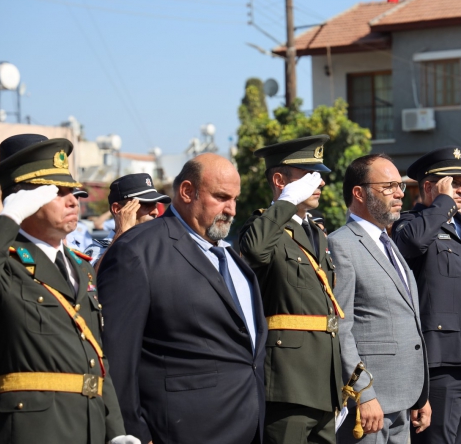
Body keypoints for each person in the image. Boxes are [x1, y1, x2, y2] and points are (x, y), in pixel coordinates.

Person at [96, 154, 267, 444]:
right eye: (222, 197)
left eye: (235, 199)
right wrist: (134, 434)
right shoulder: (137, 251)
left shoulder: (234, 262)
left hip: (248, 428)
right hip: (180, 433)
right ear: (187, 192)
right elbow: (117, 358)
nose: (232, 209)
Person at [0, 133, 138, 444]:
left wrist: (115, 430)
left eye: (72, 190)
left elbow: (98, 359)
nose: (74, 200)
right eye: (57, 191)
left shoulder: (81, 267)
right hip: (34, 430)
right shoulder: (6, 261)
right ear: (22, 198)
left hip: (88, 427)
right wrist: (7, 218)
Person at [239, 135, 343, 444]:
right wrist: (285, 202)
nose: (320, 183)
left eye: (319, 175)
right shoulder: (262, 228)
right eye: (309, 175)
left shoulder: (317, 235)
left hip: (324, 382)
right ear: (280, 179)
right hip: (288, 383)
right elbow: (256, 251)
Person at [390, 147, 461, 444]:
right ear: (430, 186)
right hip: (442, 363)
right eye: (455, 183)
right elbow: (411, 244)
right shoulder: (410, 224)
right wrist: (442, 203)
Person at [328, 154, 431, 444]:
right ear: (359, 193)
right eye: (388, 186)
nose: (400, 193)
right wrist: (363, 392)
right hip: (370, 405)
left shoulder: (388, 243)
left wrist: (420, 394)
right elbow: (341, 328)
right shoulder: (341, 244)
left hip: (404, 398)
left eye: (400, 185)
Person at [84, 173, 170, 268]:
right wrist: (121, 235)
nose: (155, 211)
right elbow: (93, 279)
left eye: (155, 205)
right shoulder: (98, 250)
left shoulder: (159, 246)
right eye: (146, 205)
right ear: (117, 209)